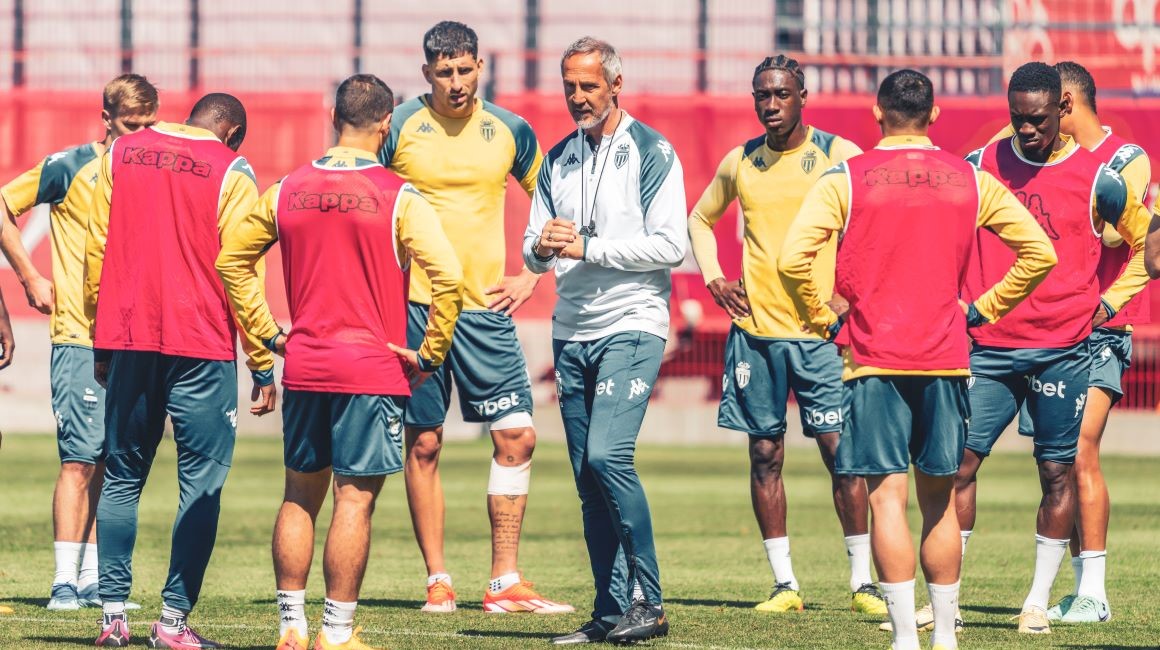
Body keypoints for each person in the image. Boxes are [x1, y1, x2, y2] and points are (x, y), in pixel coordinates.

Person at [779, 68, 1056, 650]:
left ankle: (906, 639)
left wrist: (823, 318)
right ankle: (947, 638)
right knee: (940, 502)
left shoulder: (844, 178)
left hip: (873, 360)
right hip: (946, 359)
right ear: (934, 115)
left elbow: (791, 259)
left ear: (877, 114)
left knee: (887, 500)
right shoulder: (971, 179)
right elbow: (1039, 252)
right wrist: (980, 310)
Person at [218, 74, 465, 650]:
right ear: (386, 124)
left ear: (333, 117)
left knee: (299, 495)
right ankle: (336, 632)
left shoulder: (286, 189)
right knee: (353, 499)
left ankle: (290, 627)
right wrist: (430, 352)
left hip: (306, 365)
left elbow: (231, 260)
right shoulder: (399, 196)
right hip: (371, 371)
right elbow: (450, 278)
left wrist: (267, 333)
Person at [378, 20, 571, 614]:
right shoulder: (399, 126)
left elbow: (552, 208)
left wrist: (532, 273)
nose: (457, 82)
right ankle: (438, 580)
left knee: (517, 434)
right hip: (416, 308)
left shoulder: (511, 130)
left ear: (480, 67)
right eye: (445, 72)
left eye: (466, 70)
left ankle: (503, 582)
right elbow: (367, 202)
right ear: (427, 73)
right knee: (424, 444)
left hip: (486, 310)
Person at [956, 62, 1152, 634]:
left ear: (1062, 107)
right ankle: (946, 599)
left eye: (1037, 118)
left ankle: (1069, 595)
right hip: (995, 344)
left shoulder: (1111, 169)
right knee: (957, 464)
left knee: (1066, 462)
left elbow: (1147, 237)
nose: (1026, 129)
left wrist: (1109, 304)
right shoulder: (986, 161)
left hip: (1077, 341)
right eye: (1017, 118)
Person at [687, 54, 880, 614]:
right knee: (765, 454)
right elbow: (699, 219)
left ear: (802, 97)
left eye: (781, 94)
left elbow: (876, 223)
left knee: (842, 455)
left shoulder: (840, 156)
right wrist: (715, 278)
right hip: (757, 334)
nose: (770, 104)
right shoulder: (741, 161)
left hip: (820, 335)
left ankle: (863, 584)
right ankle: (784, 585)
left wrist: (851, 291)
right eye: (762, 95)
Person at [85, 93, 275, 649]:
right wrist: (261, 358)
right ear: (232, 133)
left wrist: (102, 335)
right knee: (202, 486)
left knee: (121, 478)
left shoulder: (122, 151)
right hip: (202, 344)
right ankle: (171, 623)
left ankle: (112, 618)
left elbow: (98, 249)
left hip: (130, 336)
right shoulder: (232, 169)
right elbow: (241, 269)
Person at [525, 36, 687, 645]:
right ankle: (609, 610)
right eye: (569, 86)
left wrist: (588, 247)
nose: (577, 96)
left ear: (616, 85)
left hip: (633, 321)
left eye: (589, 86)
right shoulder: (557, 159)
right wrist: (542, 247)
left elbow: (671, 245)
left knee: (606, 457)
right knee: (587, 482)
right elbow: (532, 249)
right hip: (571, 331)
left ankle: (649, 602)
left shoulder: (652, 150)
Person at [0, 74, 156, 611]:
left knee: (111, 460)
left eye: (148, 125)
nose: (139, 134)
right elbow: (2, 205)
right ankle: (63, 583)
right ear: (106, 118)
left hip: (132, 338)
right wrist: (29, 276)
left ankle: (92, 580)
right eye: (130, 125)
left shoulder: (150, 171)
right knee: (79, 460)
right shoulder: (69, 167)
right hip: (80, 334)